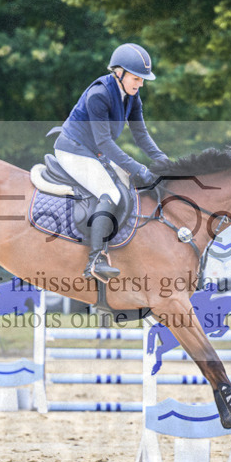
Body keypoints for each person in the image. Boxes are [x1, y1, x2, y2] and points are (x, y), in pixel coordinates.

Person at [52, 43, 168, 282]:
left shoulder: (132, 97)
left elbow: (141, 135)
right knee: (111, 193)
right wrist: (138, 168)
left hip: (93, 152)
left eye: (143, 79)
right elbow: (104, 142)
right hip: (73, 151)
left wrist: (163, 161)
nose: (141, 83)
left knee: (128, 189)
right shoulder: (99, 95)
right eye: (137, 78)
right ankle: (95, 260)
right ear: (119, 72)